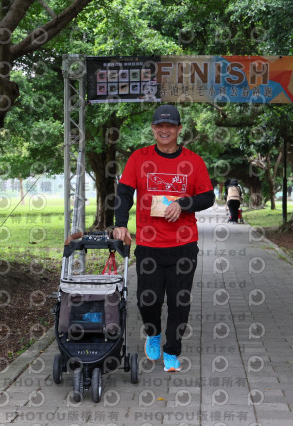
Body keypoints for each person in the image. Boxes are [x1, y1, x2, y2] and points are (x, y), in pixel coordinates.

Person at [113, 105, 215, 372]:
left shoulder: (194, 161)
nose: (165, 130)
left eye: (170, 126)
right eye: (160, 126)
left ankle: (172, 351)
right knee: (148, 299)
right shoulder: (139, 158)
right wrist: (120, 224)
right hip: (149, 244)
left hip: (183, 245)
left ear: (179, 129)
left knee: (179, 301)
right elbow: (124, 193)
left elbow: (208, 197)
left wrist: (183, 203)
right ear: (153, 128)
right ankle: (153, 333)